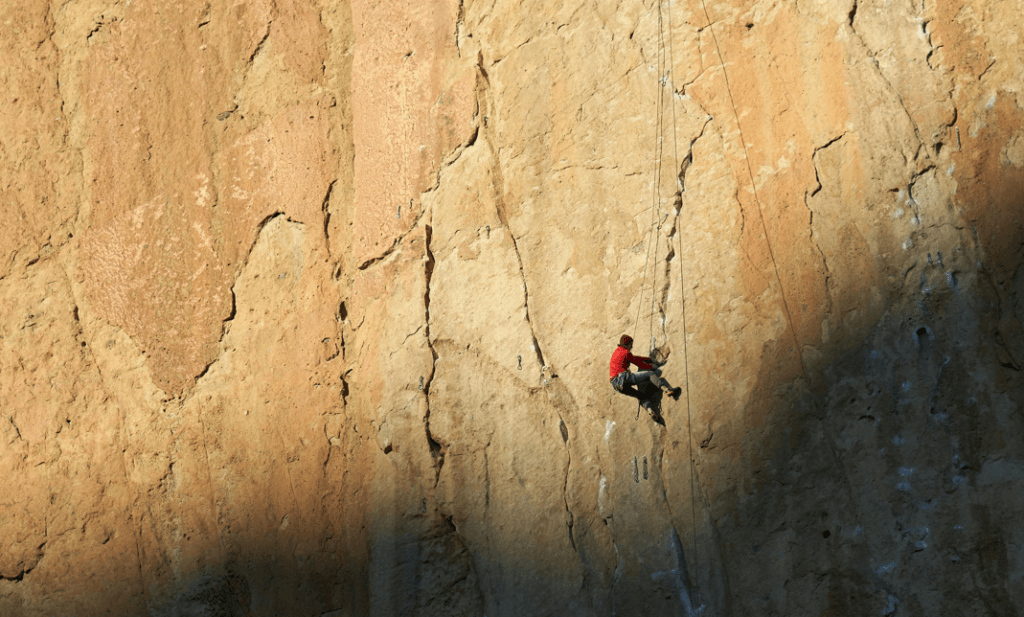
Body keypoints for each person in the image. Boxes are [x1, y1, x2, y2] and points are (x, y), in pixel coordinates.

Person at [609, 335, 681, 409]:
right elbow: (639, 363)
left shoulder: (617, 352)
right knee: (650, 374)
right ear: (628, 344)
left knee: (638, 395)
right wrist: (652, 366)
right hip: (624, 377)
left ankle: (651, 412)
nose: (631, 347)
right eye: (631, 345)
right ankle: (667, 390)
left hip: (616, 385)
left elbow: (635, 358)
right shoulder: (626, 352)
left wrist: (649, 359)